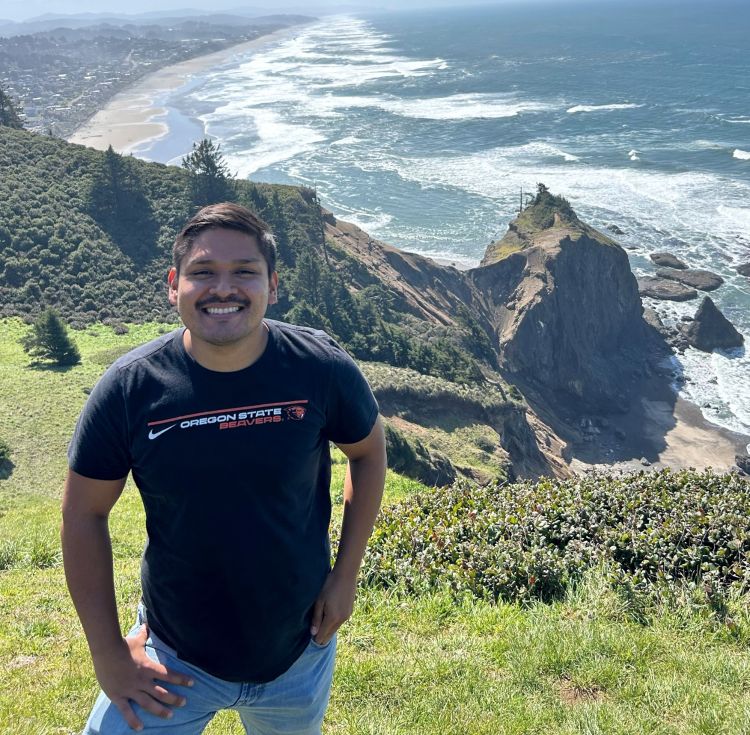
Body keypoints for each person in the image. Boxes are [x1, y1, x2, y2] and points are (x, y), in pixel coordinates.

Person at [62, 202, 386, 734]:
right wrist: (108, 655)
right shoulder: (128, 390)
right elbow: (82, 515)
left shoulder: (320, 367)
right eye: (203, 272)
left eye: (244, 272)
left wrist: (346, 575)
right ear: (174, 284)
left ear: (273, 285)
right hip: (173, 660)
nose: (223, 288)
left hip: (298, 655)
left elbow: (368, 453)